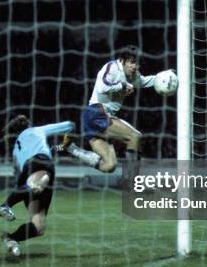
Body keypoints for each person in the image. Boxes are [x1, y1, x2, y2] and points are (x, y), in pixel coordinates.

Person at [57, 45, 158, 189]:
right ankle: (133, 183)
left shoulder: (133, 75)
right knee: (135, 137)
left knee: (109, 166)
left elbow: (144, 81)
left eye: (138, 63)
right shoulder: (111, 68)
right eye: (132, 62)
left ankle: (72, 149)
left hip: (95, 119)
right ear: (122, 60)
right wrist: (122, 86)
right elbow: (102, 87)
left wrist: (163, 76)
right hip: (96, 112)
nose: (135, 66)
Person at [0, 115, 74, 257]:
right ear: (27, 125)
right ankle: (5, 205)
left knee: (38, 226)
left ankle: (11, 238)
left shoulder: (15, 150)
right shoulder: (36, 130)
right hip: (40, 162)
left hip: (25, 177)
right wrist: (72, 132)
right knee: (40, 184)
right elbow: (68, 124)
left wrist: (21, 190)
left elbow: (17, 172)